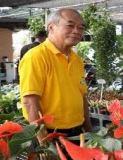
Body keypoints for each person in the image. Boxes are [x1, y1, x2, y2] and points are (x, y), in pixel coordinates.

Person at [19, 9, 92, 143]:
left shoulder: (76, 60)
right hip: (50, 135)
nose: (77, 31)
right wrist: (43, 142)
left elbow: (82, 96)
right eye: (70, 25)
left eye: (81, 28)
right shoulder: (36, 57)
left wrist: (89, 131)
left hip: (77, 133)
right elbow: (30, 102)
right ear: (51, 27)